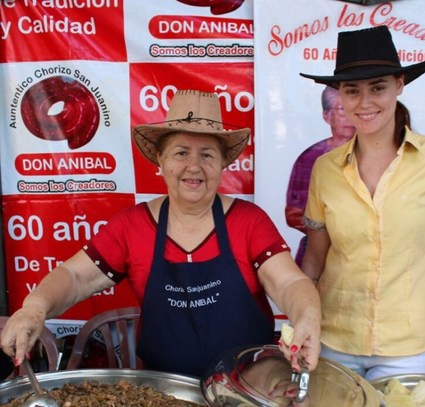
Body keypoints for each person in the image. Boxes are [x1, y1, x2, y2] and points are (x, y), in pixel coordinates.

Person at [1, 90, 321, 377]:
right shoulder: (132, 225)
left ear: (224, 163)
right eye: (181, 152)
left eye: (207, 155)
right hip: (163, 389)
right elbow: (74, 276)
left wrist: (307, 316)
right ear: (161, 159)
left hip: (247, 387)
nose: (193, 166)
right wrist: (35, 307)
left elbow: (289, 282)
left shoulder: (249, 221)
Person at [298, 25, 425, 391]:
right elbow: (314, 262)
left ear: (399, 85)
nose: (364, 103)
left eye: (378, 87)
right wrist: (303, 324)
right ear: (339, 96)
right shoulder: (325, 169)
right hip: (333, 341)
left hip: (408, 346)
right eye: (351, 90)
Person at [285, 86, 356, 266]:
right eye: (342, 110)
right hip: (317, 257)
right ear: (326, 115)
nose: (349, 117)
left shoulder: (377, 154)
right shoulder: (310, 158)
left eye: (353, 109)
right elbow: (292, 214)